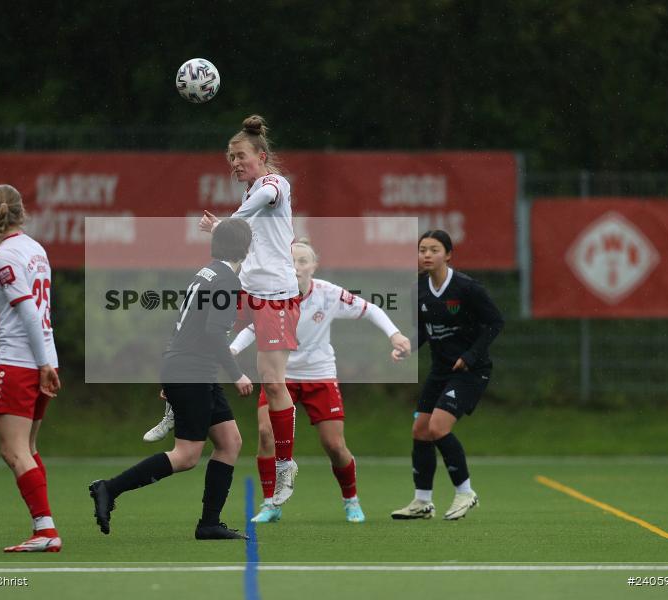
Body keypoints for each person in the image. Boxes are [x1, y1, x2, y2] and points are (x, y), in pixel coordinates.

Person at [89, 218, 255, 540]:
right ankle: (108, 488)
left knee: (229, 441)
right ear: (245, 249)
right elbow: (213, 334)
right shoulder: (225, 280)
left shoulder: (207, 272)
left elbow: (186, 326)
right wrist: (237, 374)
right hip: (192, 372)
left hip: (191, 370)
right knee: (187, 455)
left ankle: (209, 524)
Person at [232, 239, 411, 523]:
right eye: (291, 260)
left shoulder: (329, 294)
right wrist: (231, 350)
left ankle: (351, 500)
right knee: (266, 434)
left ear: (314, 266)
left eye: (303, 260)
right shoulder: (272, 295)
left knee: (334, 446)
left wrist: (395, 334)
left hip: (320, 376)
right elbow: (253, 328)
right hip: (282, 377)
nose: (297, 266)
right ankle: (271, 504)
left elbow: (371, 309)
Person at [197, 115, 302, 507]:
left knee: (273, 384)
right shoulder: (250, 192)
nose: (235, 164)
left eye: (241, 156)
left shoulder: (274, 184)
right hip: (250, 292)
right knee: (202, 343)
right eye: (231, 159)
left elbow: (262, 202)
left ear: (261, 156)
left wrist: (223, 224)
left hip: (276, 295)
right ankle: (176, 406)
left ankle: (285, 463)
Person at [391, 230, 504, 521]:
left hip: (470, 372)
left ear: (448, 254)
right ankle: (422, 502)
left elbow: (495, 322)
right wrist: (408, 348)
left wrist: (470, 356)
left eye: (434, 250)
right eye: (422, 250)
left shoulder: (467, 288)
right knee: (420, 431)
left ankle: (466, 492)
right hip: (440, 371)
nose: (426, 255)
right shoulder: (419, 289)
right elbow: (425, 332)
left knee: (438, 428)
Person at [0, 184, 62, 552]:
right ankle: (44, 527)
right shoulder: (35, 250)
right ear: (21, 212)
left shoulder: (4, 254)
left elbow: (29, 309)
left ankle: (45, 531)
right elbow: (27, 308)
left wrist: (42, 363)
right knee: (27, 447)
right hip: (42, 358)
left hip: (21, 362)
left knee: (14, 452)